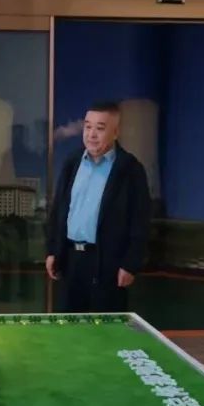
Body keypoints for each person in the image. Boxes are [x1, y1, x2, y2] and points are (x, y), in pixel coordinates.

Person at [45, 101, 150, 312]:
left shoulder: (130, 169)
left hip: (107, 263)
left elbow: (140, 220)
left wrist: (130, 264)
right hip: (70, 260)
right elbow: (59, 210)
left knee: (104, 325)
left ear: (115, 132)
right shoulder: (72, 162)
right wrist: (53, 250)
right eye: (87, 127)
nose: (91, 134)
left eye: (100, 128)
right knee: (68, 323)